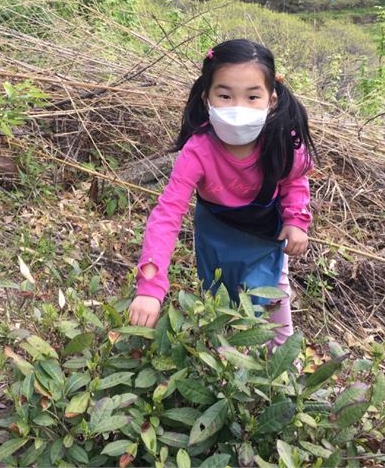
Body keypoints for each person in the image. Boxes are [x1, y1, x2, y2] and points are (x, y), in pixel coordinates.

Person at [128, 39, 318, 349]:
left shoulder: (282, 140)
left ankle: (284, 374)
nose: (238, 108)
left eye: (252, 96)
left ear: (271, 100)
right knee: (217, 303)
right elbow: (167, 214)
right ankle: (224, 366)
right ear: (207, 98)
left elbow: (295, 180)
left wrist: (297, 220)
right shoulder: (198, 151)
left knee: (272, 308)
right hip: (215, 238)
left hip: (265, 239)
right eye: (225, 95)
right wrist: (150, 287)